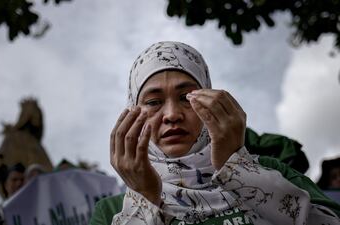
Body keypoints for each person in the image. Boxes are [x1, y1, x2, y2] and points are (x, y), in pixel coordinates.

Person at [90, 41, 340, 225]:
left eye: (186, 98)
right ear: (132, 113)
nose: (172, 114)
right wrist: (144, 200)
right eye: (154, 102)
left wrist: (239, 171)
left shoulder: (272, 172)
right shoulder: (111, 211)